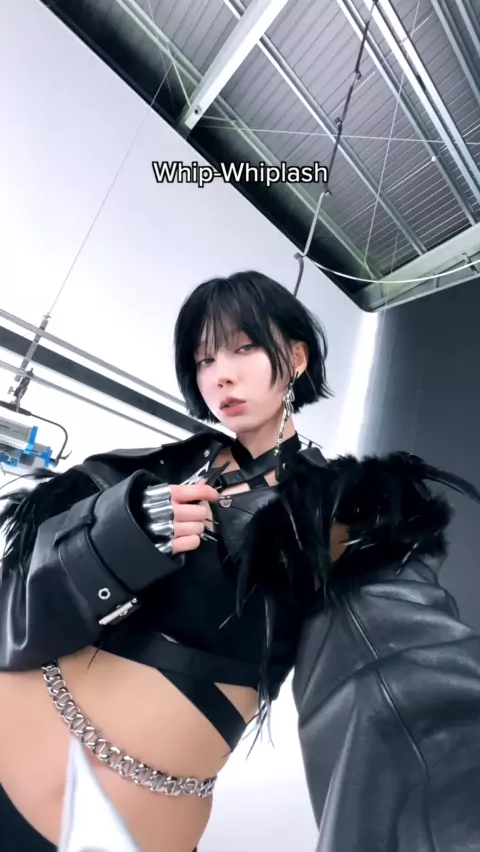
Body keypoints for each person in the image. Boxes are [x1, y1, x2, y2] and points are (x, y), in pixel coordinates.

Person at [0, 270, 479, 852]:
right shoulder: (131, 474)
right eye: (203, 359)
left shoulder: (342, 513)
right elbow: (11, 614)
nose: (220, 374)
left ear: (296, 358)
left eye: (244, 347)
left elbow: (406, 677)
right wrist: (118, 534)